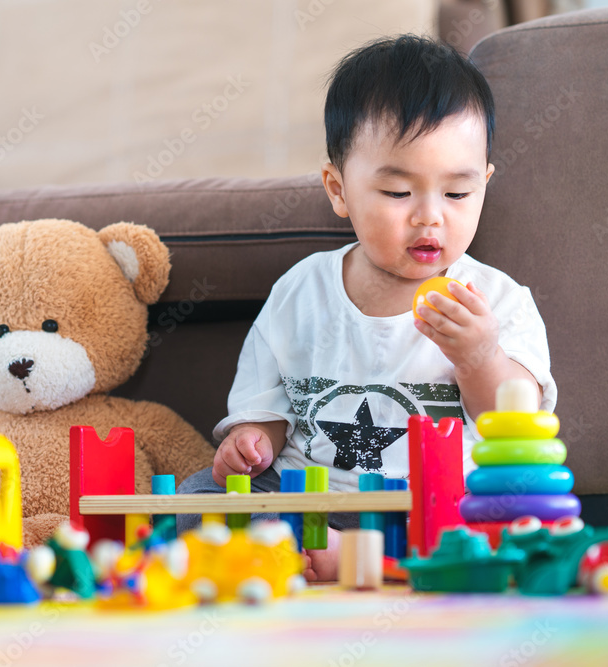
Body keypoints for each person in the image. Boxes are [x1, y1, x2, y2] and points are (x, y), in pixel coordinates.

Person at [177, 34, 557, 581]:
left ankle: (334, 559)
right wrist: (250, 444)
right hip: (306, 496)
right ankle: (321, 549)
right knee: (198, 497)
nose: (430, 218)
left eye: (456, 194)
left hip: (437, 504)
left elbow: (517, 426)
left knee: (514, 512)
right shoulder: (301, 291)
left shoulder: (496, 300)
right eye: (398, 193)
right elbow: (267, 410)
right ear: (338, 189)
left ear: (484, 186)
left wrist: (480, 356)